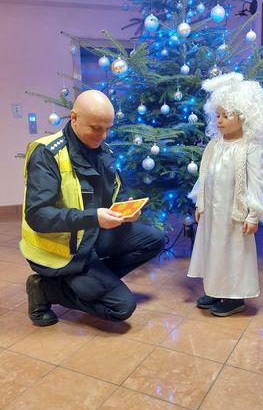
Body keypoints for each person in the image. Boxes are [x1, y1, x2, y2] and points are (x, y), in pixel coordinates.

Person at [20, 89, 165, 326]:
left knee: (154, 239)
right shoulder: (47, 153)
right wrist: (93, 217)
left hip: (91, 236)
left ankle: (91, 282)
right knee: (121, 308)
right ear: (74, 117)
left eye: (108, 128)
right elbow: (38, 216)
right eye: (96, 128)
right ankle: (46, 288)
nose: (103, 136)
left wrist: (124, 208)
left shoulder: (103, 150)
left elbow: (111, 192)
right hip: (61, 251)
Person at [188, 72, 263, 317]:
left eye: (226, 116)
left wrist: (253, 215)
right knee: (214, 249)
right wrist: (200, 201)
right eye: (217, 115)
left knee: (233, 251)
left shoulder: (250, 148)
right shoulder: (215, 144)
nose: (220, 121)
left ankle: (234, 297)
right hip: (213, 211)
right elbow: (204, 176)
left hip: (234, 212)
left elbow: (256, 183)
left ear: (244, 116)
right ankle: (216, 289)